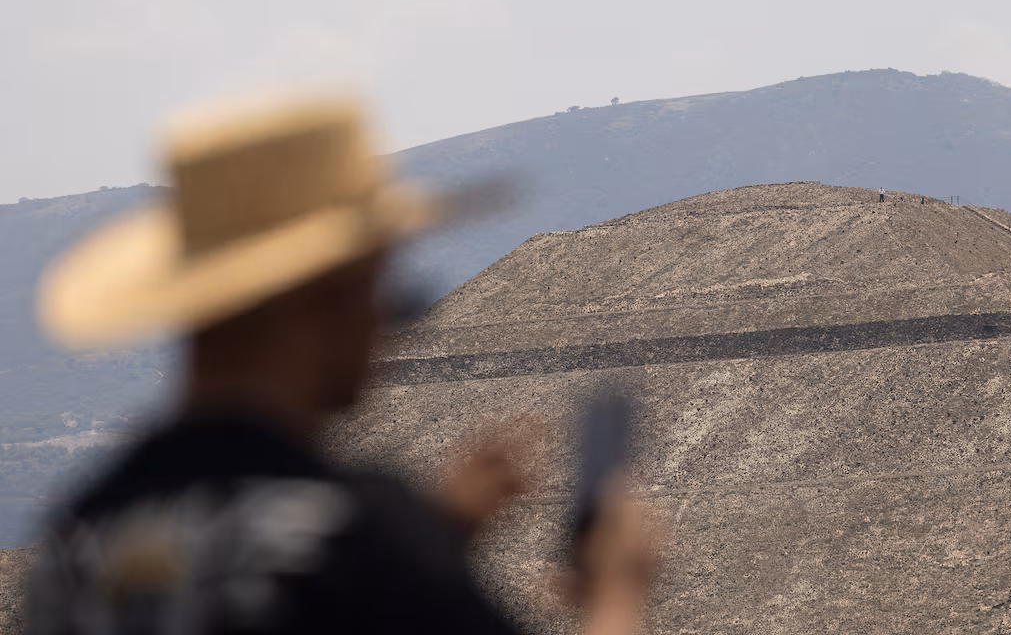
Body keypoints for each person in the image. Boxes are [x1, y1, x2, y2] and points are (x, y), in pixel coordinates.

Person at [25, 93, 658, 635]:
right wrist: (615, 593)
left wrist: (435, 536)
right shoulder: (357, 538)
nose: (387, 331)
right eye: (384, 298)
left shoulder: (75, 540)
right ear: (323, 300)